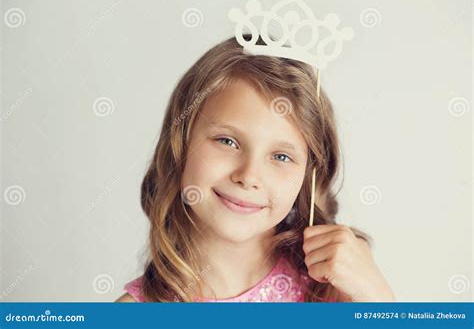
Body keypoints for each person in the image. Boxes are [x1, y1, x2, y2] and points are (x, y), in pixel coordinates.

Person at [116, 35, 395, 303]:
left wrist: (377, 299)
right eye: (227, 141)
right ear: (179, 144)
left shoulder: (334, 291)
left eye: (281, 157)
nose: (248, 177)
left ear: (307, 178)